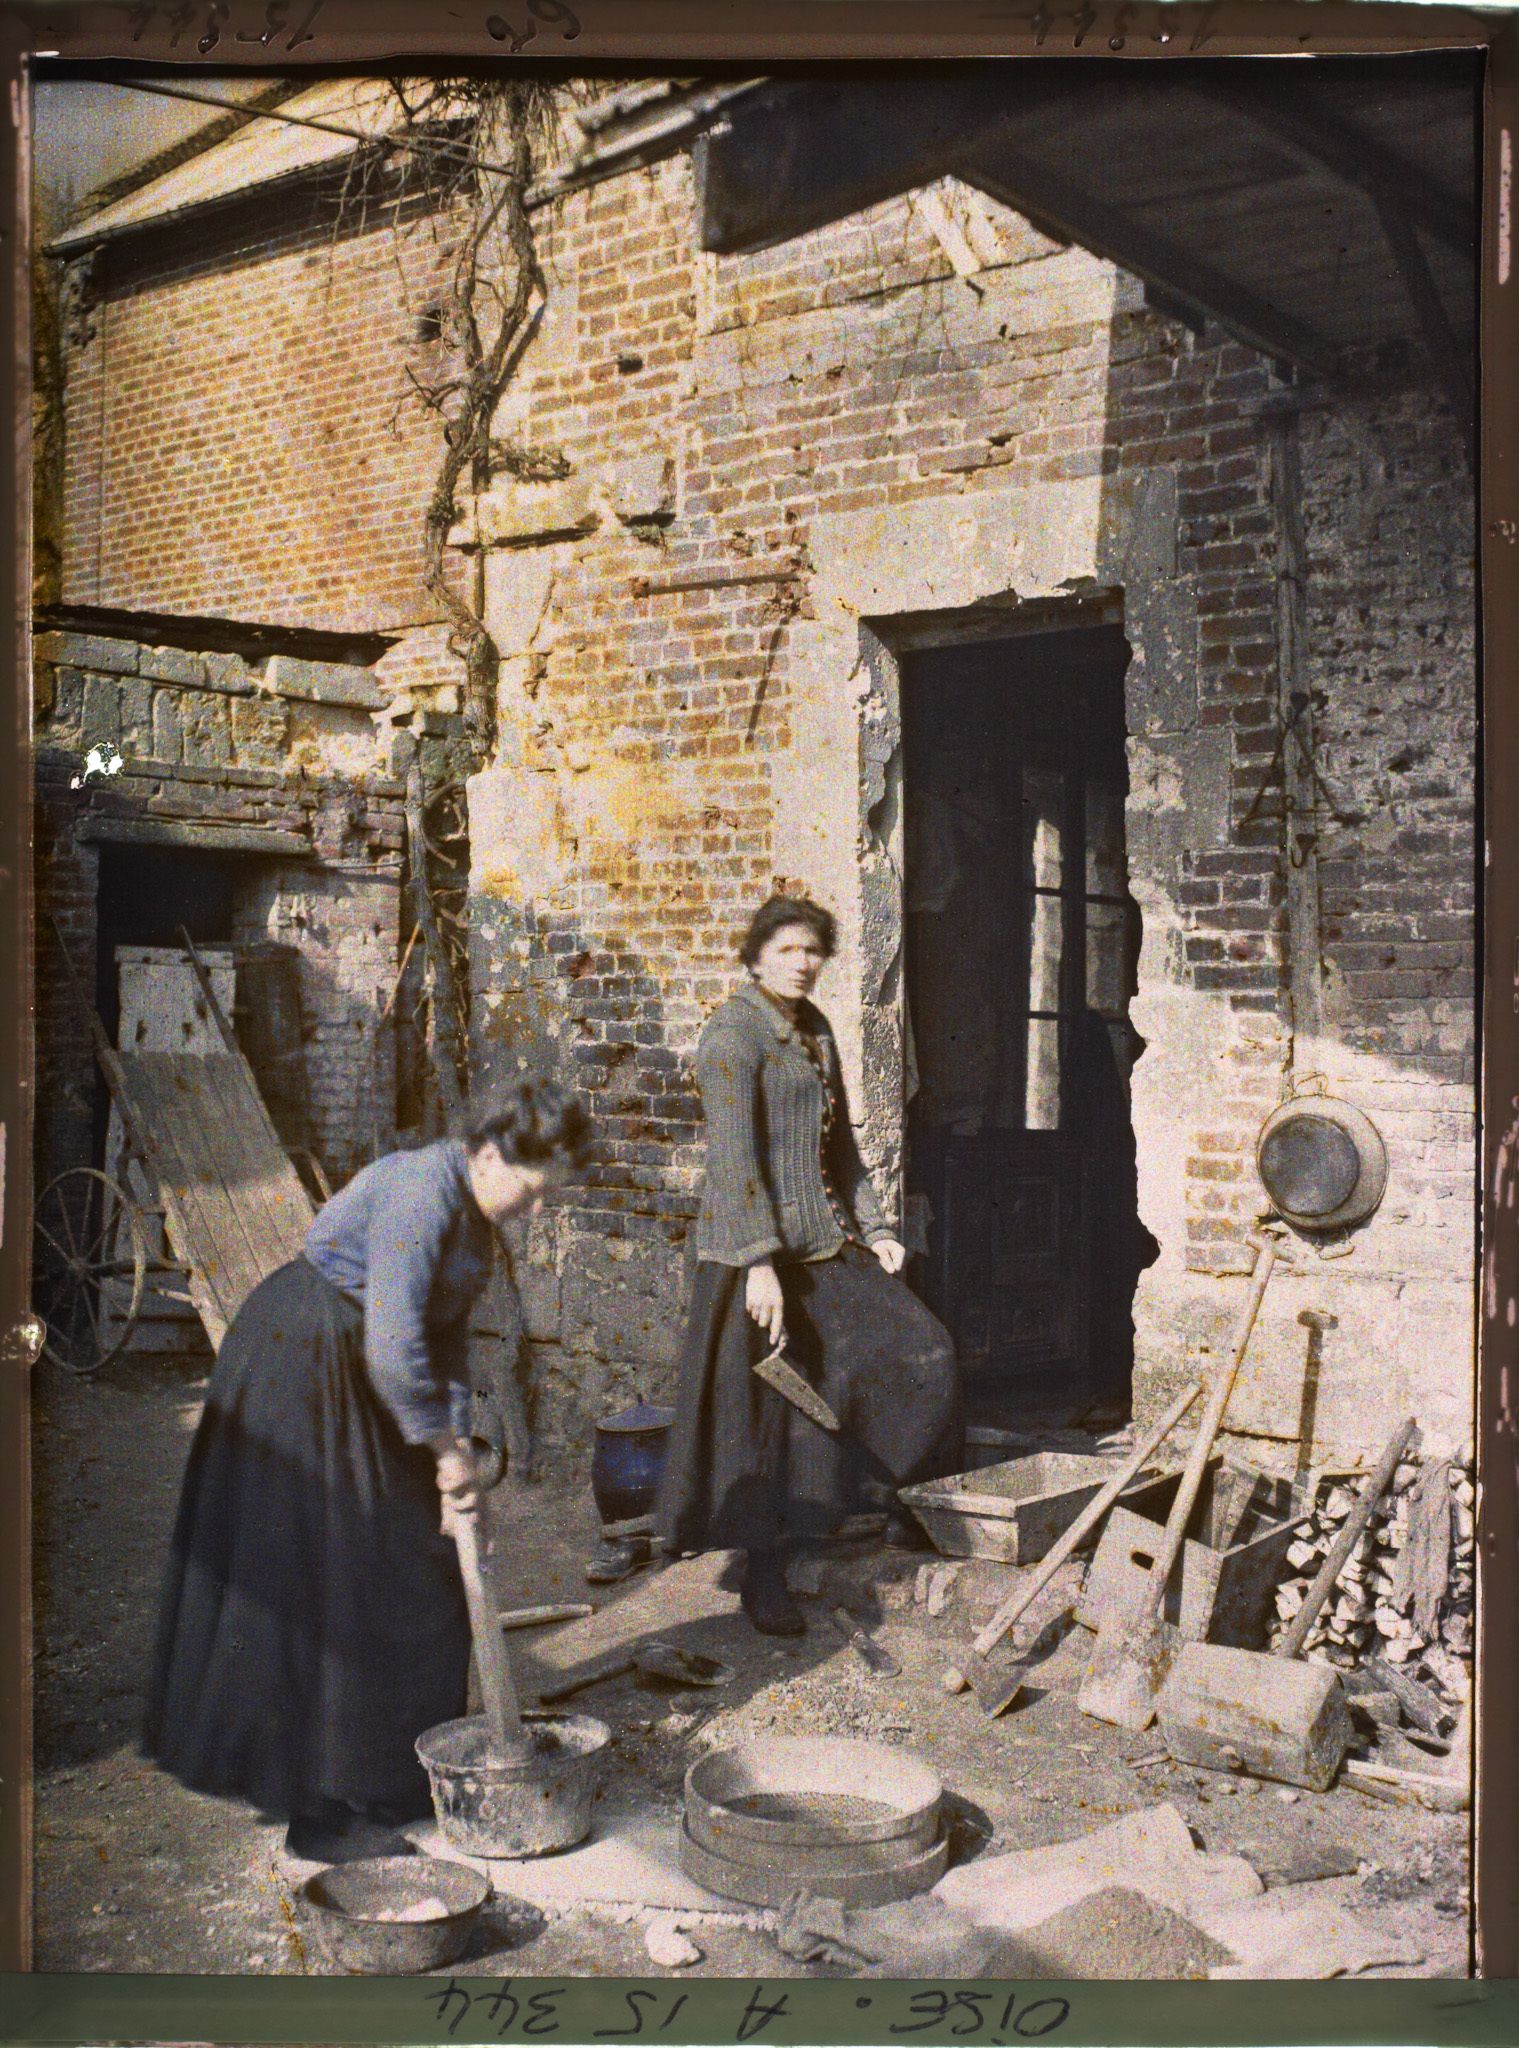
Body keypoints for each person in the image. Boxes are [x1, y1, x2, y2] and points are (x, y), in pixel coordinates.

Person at [143, 1078, 593, 1864]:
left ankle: (394, 1773)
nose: (537, 1210)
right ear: (488, 1155)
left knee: (415, 1564)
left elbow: (440, 1341)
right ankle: (324, 1811)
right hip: (302, 1359)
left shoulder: (476, 1222)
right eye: (531, 1190)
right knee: (337, 1572)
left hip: (366, 1368)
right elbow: (394, 1347)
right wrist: (443, 1452)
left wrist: (456, 1465)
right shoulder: (422, 1193)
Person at [657, 894, 961, 1636]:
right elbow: (733, 1161)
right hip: (752, 1253)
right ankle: (763, 1576)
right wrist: (759, 1264)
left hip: (825, 1242)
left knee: (925, 1350)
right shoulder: (731, 1037)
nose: (801, 964)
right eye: (787, 950)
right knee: (775, 1420)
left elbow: (842, 1151)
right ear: (755, 955)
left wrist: (878, 1225)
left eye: (812, 951)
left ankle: (889, 1506)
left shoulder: (815, 1030)